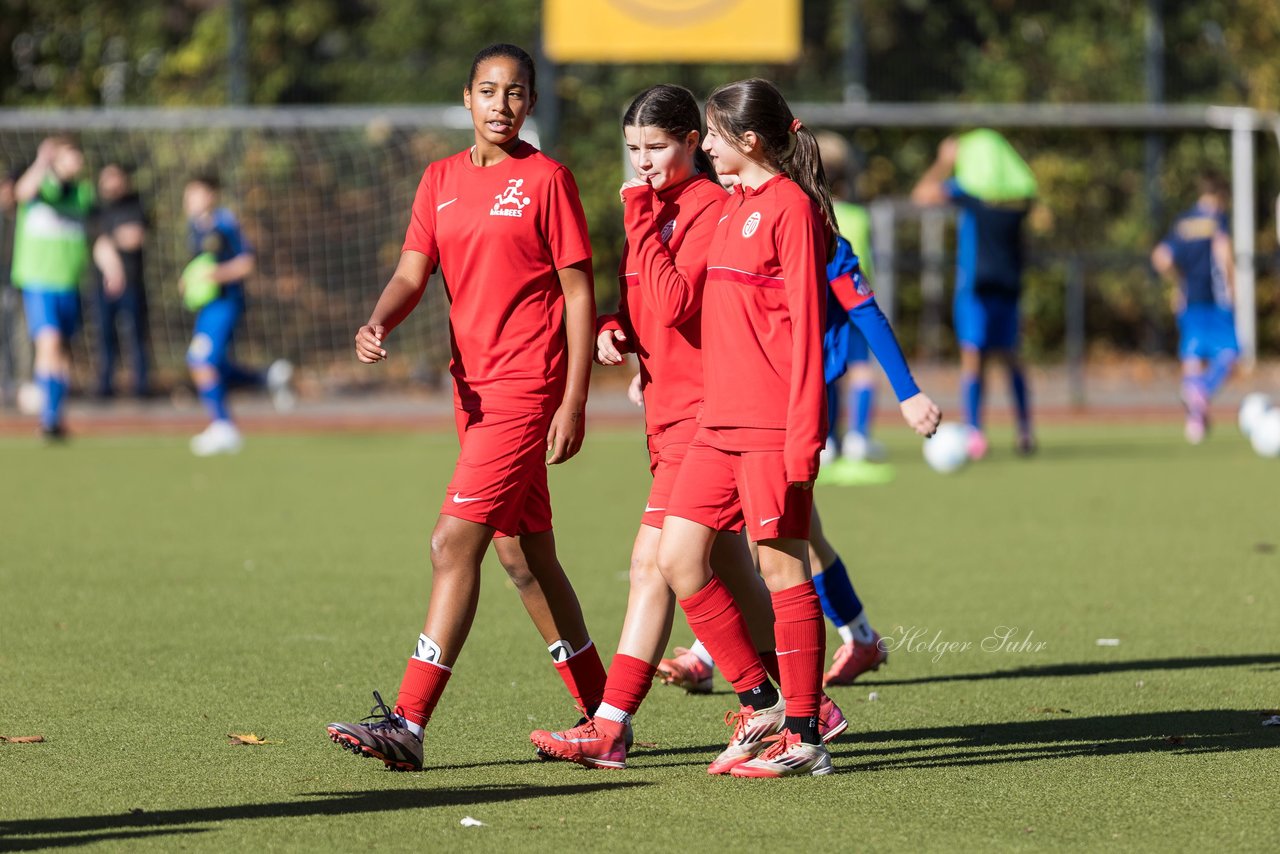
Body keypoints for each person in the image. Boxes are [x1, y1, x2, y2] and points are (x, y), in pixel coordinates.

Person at [528, 85, 848, 771]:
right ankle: (781, 706)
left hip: (732, 415)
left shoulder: (723, 207)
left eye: (664, 145)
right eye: (633, 150)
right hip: (695, 418)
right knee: (692, 562)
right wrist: (617, 329)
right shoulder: (724, 207)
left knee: (726, 563)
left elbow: (701, 308)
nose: (645, 161)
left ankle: (783, 726)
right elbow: (649, 306)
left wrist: (806, 429)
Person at [325, 43, 607, 773]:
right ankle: (605, 716)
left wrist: (573, 398)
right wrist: (379, 319)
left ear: (532, 104)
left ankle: (409, 722)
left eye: (516, 93)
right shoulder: (439, 179)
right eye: (489, 91)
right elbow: (412, 271)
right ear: (467, 98)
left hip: (526, 387)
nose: (502, 105)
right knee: (524, 555)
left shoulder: (547, 180)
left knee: (454, 544)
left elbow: (579, 294)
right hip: (472, 391)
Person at [659, 232, 941, 692]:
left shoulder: (816, 232)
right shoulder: (732, 216)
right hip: (745, 397)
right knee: (803, 533)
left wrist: (907, 392)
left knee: (759, 525)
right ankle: (861, 636)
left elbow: (864, 309)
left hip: (793, 401)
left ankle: (707, 654)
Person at [912, 131, 1036, 459]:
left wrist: (944, 162)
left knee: (973, 359)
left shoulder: (968, 192)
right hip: (1009, 285)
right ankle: (1025, 430)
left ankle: (974, 432)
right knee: (1012, 359)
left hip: (975, 287)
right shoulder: (1019, 199)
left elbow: (922, 194)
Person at [11, 136, 123, 439]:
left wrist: (112, 266)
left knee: (62, 353)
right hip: (39, 282)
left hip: (69, 284)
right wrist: (41, 162)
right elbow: (21, 192)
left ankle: (55, 418)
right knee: (49, 343)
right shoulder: (41, 189)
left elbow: (97, 238)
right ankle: (48, 418)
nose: (77, 163)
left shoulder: (83, 195)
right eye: (69, 157)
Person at [181, 172, 292, 456]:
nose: (188, 201)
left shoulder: (224, 223)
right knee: (212, 363)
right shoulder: (194, 227)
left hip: (226, 304)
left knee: (201, 360)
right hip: (208, 306)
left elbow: (246, 263)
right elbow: (200, 266)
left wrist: (217, 275)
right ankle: (266, 378)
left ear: (209, 195)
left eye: (193, 194)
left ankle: (223, 427)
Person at [1151, 171, 1237, 443]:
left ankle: (1195, 422)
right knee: (1231, 353)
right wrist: (1233, 288)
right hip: (1216, 298)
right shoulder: (1216, 220)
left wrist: (1179, 281)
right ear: (1221, 197)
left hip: (1189, 299)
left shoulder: (1184, 222)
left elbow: (1161, 258)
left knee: (1192, 355)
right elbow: (1224, 254)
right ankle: (1203, 390)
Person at [816, 130, 883, 463]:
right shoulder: (858, 216)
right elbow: (864, 265)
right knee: (860, 368)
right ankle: (858, 436)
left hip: (820, 303)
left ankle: (826, 440)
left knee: (825, 368)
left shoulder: (809, 212)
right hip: (852, 302)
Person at [92, 162, 150, 399]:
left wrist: (110, 240)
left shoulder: (135, 206)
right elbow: (97, 242)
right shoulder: (94, 208)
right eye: (107, 177)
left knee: (135, 334)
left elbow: (135, 238)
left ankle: (141, 387)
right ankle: (105, 386)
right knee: (105, 336)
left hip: (132, 283)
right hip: (100, 285)